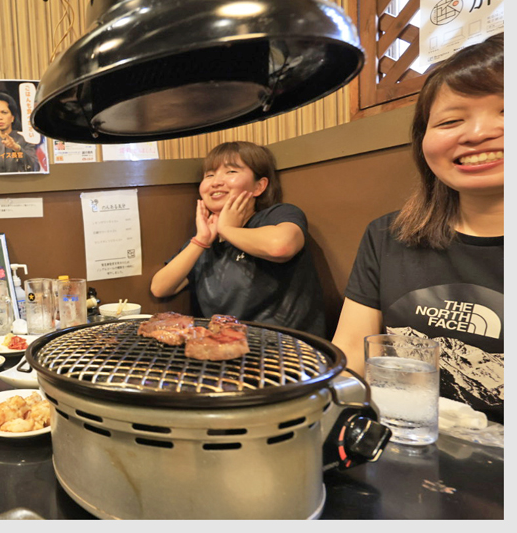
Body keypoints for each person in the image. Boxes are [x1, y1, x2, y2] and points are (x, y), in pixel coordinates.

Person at [333, 33, 503, 424]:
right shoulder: (386, 236)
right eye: (450, 120)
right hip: (397, 448)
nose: (476, 133)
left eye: (504, 110)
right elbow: (350, 360)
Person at [150, 141, 328, 338]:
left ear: (259, 186)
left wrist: (226, 229)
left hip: (289, 352)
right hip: (227, 351)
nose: (216, 181)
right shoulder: (206, 241)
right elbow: (160, 287)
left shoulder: (278, 215)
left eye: (231, 171)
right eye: (209, 175)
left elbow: (281, 246)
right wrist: (201, 240)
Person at [0, 91, 42, 173]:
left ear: (12, 117)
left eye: (4, 112)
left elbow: (34, 167)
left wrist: (17, 149)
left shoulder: (26, 139)